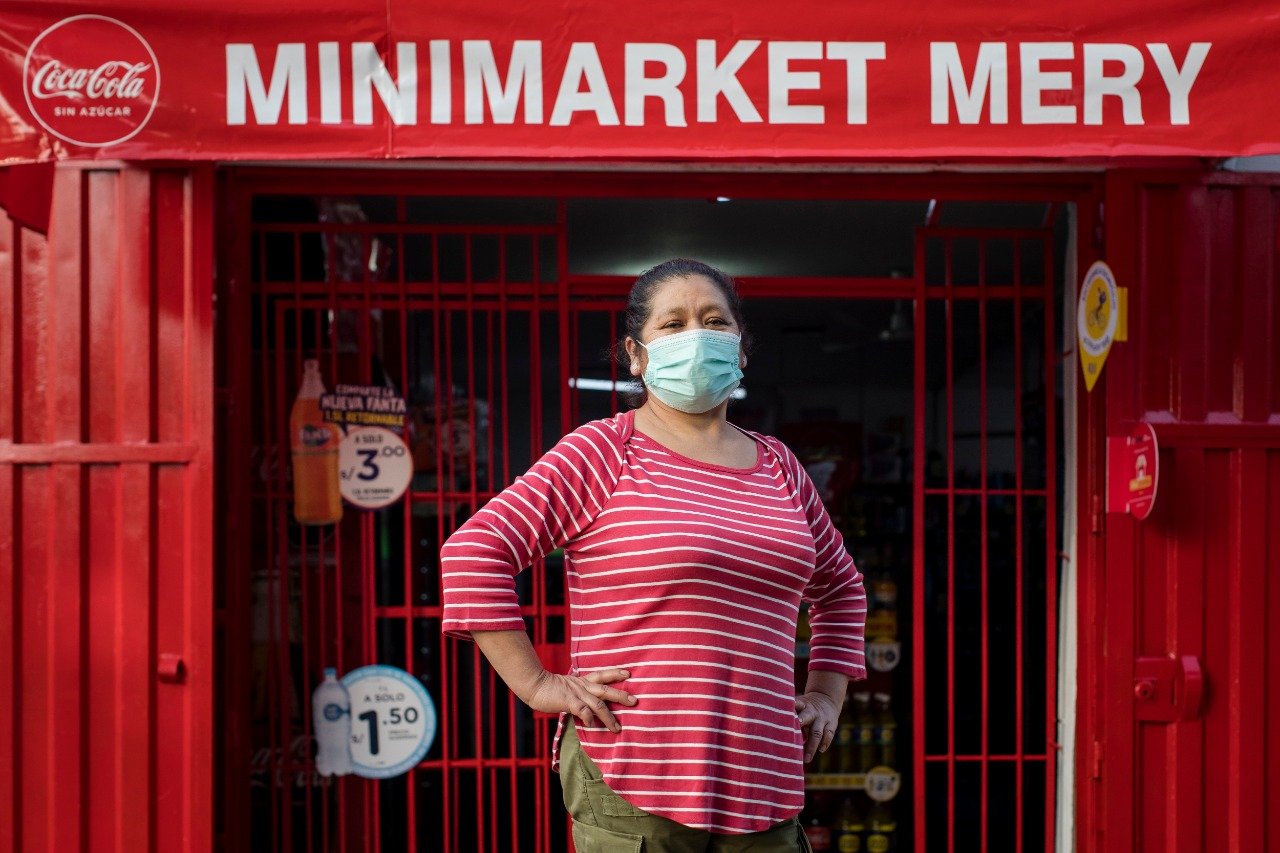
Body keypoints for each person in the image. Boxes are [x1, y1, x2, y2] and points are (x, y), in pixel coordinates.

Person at [441, 258, 867, 852]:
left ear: (741, 350)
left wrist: (826, 694)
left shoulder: (779, 466)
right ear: (636, 355)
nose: (697, 336)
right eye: (673, 324)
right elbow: (473, 553)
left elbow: (841, 587)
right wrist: (538, 685)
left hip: (765, 779)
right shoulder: (601, 453)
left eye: (714, 321)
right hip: (636, 771)